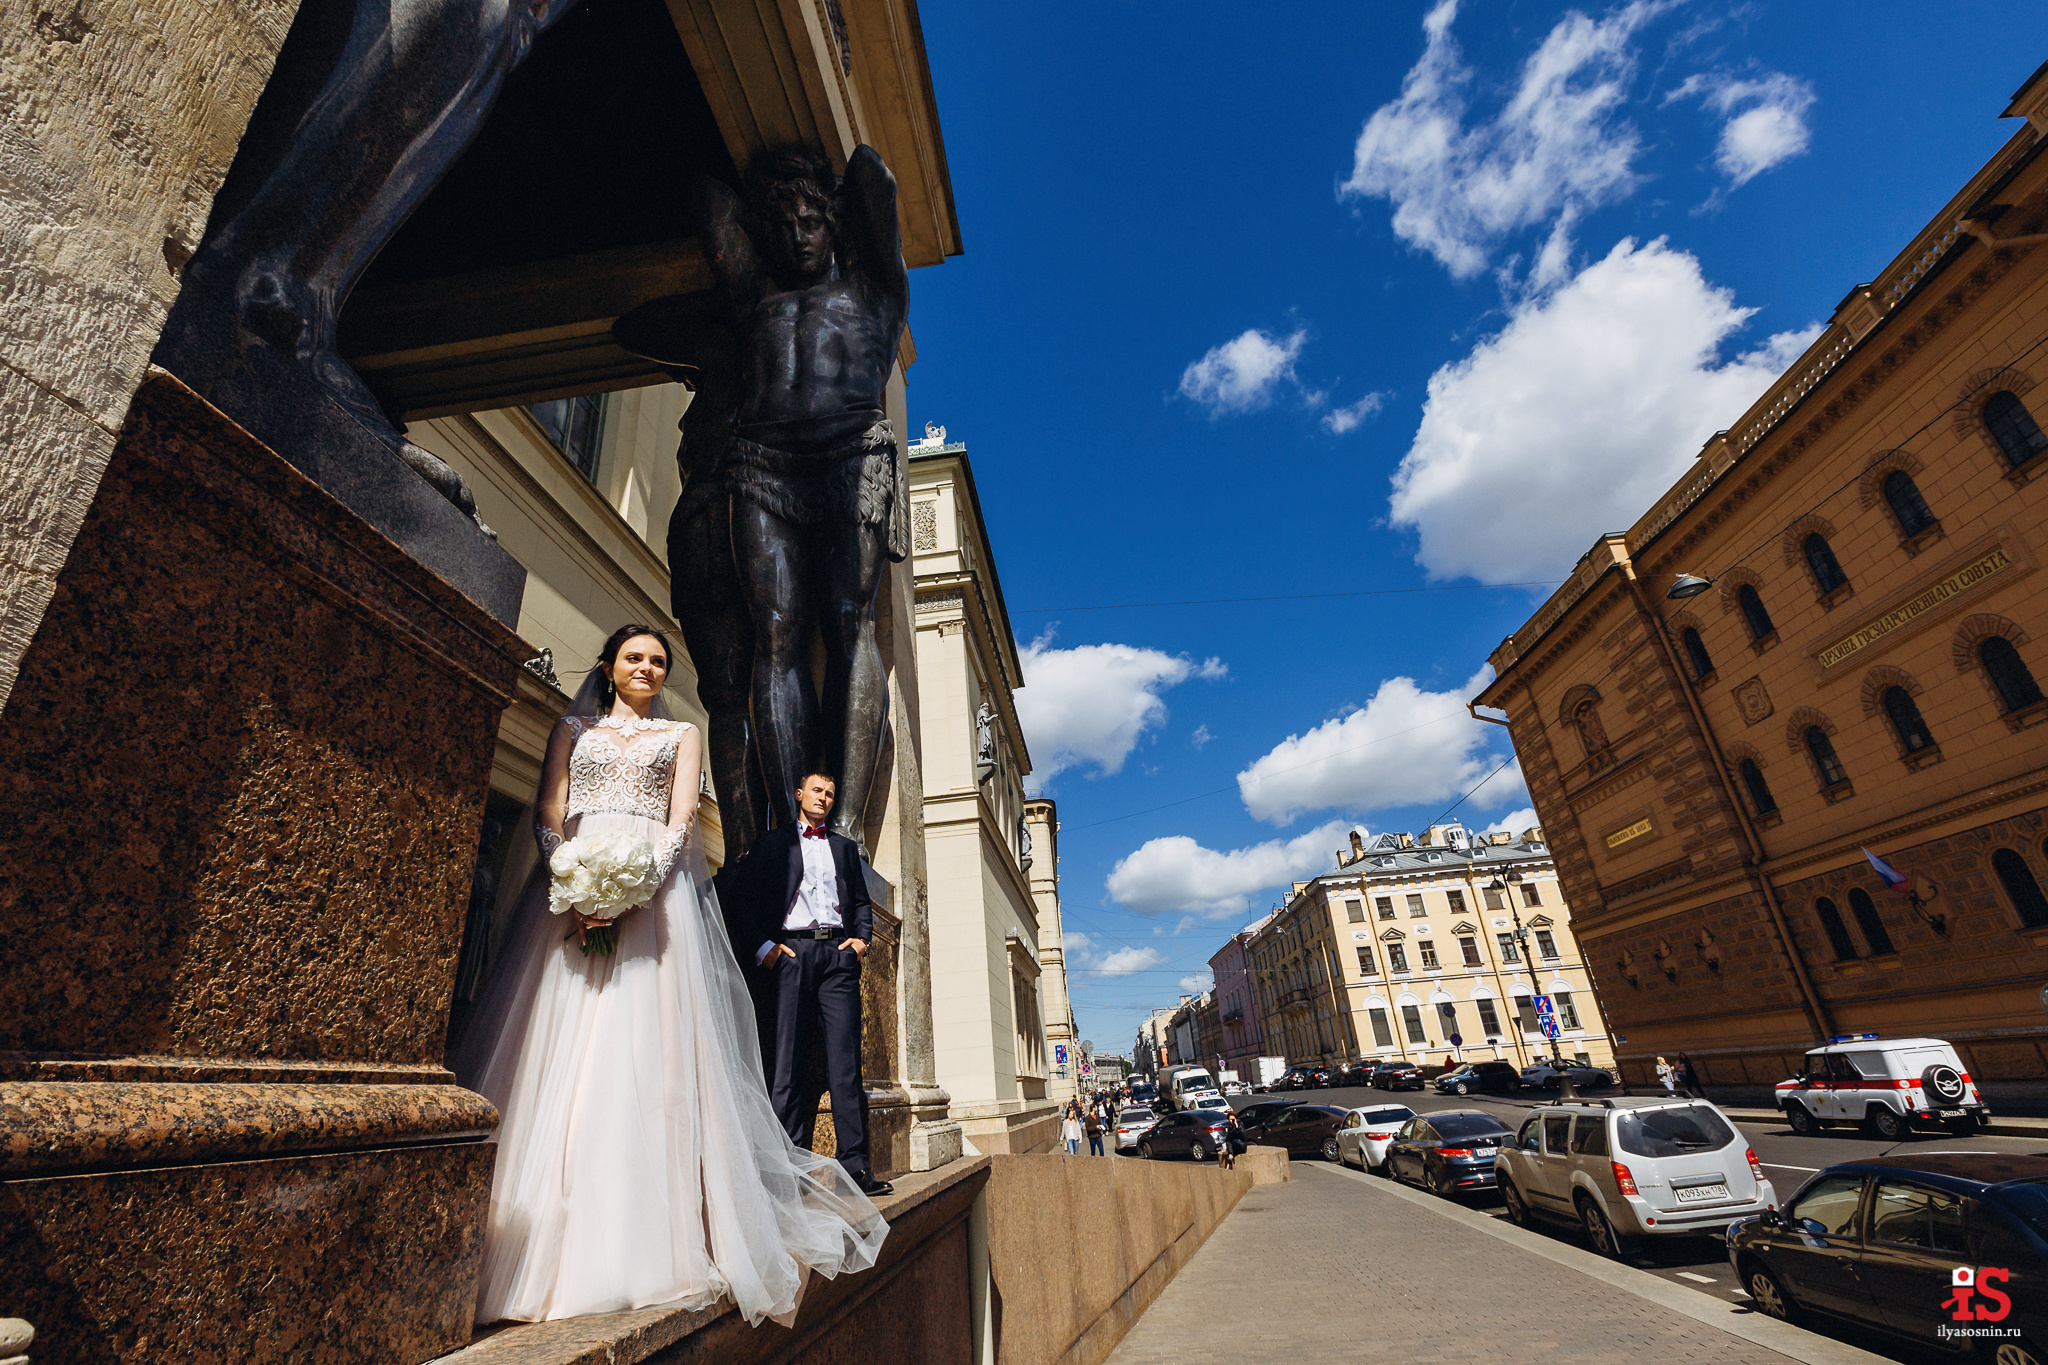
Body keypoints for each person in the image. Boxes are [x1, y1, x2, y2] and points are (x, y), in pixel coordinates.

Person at [453, 626, 886, 1326]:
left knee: (638, 1050)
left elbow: (681, 821)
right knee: (545, 1045)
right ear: (608, 665)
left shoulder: (681, 735)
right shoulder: (572, 727)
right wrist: (570, 875)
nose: (647, 667)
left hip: (651, 899)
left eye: (657, 660)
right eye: (635, 657)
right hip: (567, 894)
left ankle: (635, 1237)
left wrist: (633, 886)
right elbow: (547, 809)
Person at [723, 772, 893, 1197]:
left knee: (845, 1064)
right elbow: (743, 899)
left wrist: (861, 942)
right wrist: (766, 949)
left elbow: (857, 902)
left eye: (831, 793)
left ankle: (855, 1168)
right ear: (799, 794)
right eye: (817, 790)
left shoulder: (843, 848)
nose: (824, 797)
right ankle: (786, 1167)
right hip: (791, 956)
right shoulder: (773, 843)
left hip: (837, 957)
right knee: (787, 1064)